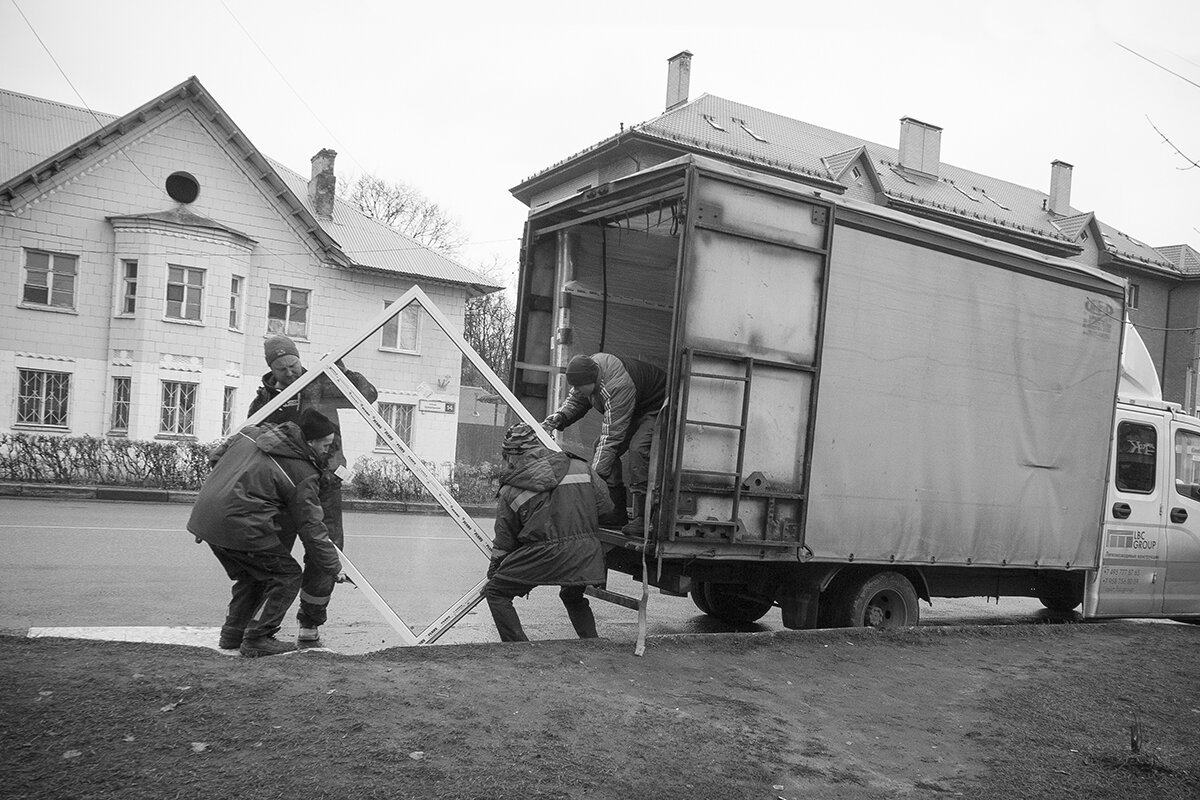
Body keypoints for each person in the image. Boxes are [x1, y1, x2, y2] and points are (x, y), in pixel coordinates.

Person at [248, 334, 377, 646]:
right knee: (274, 555)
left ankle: (310, 624)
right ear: (271, 370)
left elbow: (368, 395)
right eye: (282, 369)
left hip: (325, 484)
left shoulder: (320, 383)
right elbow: (252, 435)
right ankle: (260, 627)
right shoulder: (265, 400)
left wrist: (343, 371)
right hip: (282, 488)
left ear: (299, 359)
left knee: (324, 552)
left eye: (293, 365)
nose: (290, 372)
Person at [188, 409, 342, 657]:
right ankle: (258, 637)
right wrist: (334, 567)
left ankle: (232, 634)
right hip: (241, 525)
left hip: (205, 519)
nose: (327, 450)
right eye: (325, 445)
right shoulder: (302, 473)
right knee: (288, 576)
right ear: (310, 442)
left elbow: (215, 458)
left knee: (254, 574)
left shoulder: (250, 434)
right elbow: (311, 528)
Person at [483, 422, 613, 642]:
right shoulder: (581, 468)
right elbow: (606, 507)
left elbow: (505, 541)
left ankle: (519, 648)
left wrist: (495, 569)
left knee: (496, 592)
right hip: (585, 554)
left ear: (512, 456)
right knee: (572, 593)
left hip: (544, 556)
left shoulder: (511, 488)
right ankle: (592, 643)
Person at [542, 352, 666, 535]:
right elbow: (576, 400)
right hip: (636, 404)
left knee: (638, 449)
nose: (580, 391)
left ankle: (644, 518)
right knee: (599, 446)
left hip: (657, 404)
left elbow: (612, 437)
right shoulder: (587, 371)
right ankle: (615, 513)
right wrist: (559, 418)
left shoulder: (616, 386)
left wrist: (594, 480)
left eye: (582, 388)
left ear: (594, 380)